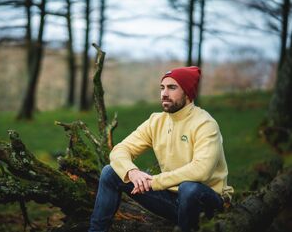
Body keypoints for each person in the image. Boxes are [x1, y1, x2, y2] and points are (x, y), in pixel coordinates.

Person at [88, 66, 234, 232]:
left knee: (189, 188)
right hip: (172, 199)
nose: (164, 93)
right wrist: (132, 172)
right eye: (162, 87)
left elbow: (202, 171)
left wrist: (155, 181)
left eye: (172, 88)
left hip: (207, 202)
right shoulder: (156, 121)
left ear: (187, 92)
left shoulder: (205, 124)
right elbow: (120, 150)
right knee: (110, 172)